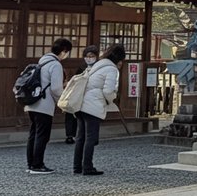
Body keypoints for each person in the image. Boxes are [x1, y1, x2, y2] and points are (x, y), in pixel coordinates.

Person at [74, 44, 124, 176]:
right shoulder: (111, 69)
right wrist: (111, 99)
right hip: (93, 105)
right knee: (90, 138)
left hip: (80, 103)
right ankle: (88, 167)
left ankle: (77, 166)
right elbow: (108, 90)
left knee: (80, 137)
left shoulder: (97, 65)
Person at [26, 37, 71, 174]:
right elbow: (56, 89)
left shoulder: (42, 62)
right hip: (44, 105)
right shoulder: (55, 65)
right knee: (42, 135)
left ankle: (31, 164)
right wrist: (62, 102)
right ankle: (38, 165)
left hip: (32, 103)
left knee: (33, 134)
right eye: (67, 51)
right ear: (63, 51)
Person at [63, 45, 100, 144]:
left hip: (90, 96)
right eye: (87, 56)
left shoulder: (99, 68)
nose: (89, 58)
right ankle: (70, 135)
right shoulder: (82, 67)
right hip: (78, 94)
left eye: (91, 56)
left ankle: (89, 137)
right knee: (72, 113)